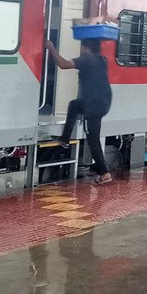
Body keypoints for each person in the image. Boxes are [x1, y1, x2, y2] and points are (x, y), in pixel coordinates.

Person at [45, 37, 114, 185]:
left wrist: (51, 48)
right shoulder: (101, 59)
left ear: (86, 47)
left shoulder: (87, 59)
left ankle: (104, 173)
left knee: (93, 139)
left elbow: (63, 65)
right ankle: (65, 139)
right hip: (103, 102)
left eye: (82, 47)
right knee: (75, 105)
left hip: (93, 106)